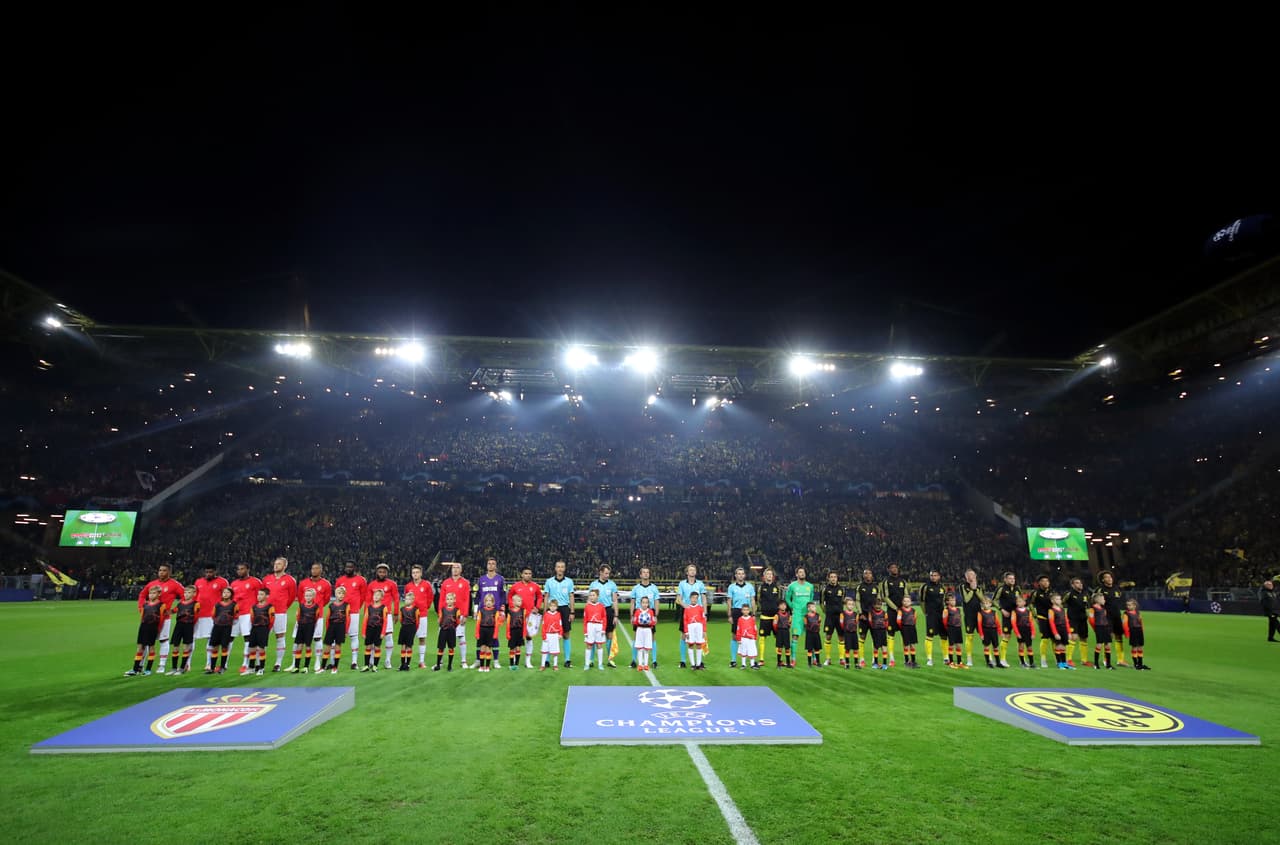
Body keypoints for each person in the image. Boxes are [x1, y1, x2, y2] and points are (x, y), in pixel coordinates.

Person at [137, 564, 185, 677]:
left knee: (163, 640)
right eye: (160, 570)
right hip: (148, 619)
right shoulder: (152, 584)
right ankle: (140, 666)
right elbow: (142, 595)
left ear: (169, 572)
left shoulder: (174, 584)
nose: (161, 572)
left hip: (164, 618)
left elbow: (186, 597)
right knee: (145, 642)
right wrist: (141, 608)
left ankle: (161, 665)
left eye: (164, 570)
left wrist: (174, 610)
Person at [262, 556, 297, 672]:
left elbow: (292, 597)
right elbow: (262, 594)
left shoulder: (290, 580)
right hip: (265, 612)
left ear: (284, 566)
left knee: (280, 637)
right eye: (275, 563)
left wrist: (283, 606)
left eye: (279, 564)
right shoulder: (266, 579)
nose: (276, 565)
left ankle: (278, 663)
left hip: (280, 613)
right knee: (263, 637)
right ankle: (260, 663)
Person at [295, 563, 332, 672]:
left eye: (316, 568)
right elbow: (300, 597)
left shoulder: (326, 584)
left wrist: (317, 607)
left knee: (317, 638)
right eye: (312, 568)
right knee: (299, 641)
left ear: (321, 570)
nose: (314, 570)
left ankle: (317, 662)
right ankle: (295, 664)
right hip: (303, 616)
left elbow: (326, 599)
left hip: (318, 616)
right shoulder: (303, 583)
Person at [229, 563, 264, 675]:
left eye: (242, 569)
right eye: (238, 569)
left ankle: (246, 664)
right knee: (229, 638)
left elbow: (262, 596)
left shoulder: (256, 582)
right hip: (235, 615)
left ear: (248, 569)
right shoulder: (233, 584)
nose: (240, 571)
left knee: (248, 639)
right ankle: (224, 665)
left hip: (248, 614)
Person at [125, 585, 168, 676]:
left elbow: (161, 618)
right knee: (140, 647)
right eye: (150, 593)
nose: (151, 595)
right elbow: (142, 616)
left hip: (153, 627)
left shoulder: (161, 605)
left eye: (154, 593)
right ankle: (135, 669)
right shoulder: (145, 604)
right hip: (143, 627)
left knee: (151, 647)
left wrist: (158, 629)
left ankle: (148, 669)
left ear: (159, 594)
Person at [193, 565, 228, 672]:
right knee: (191, 638)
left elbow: (227, 597)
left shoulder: (222, 582)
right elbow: (194, 596)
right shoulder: (198, 582)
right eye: (207, 572)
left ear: (215, 572)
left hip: (214, 615)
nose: (208, 574)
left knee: (211, 639)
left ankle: (209, 664)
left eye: (211, 572)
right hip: (199, 614)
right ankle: (187, 664)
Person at [508, 566, 544, 668]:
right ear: (522, 574)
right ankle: (514, 659)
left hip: (530, 616)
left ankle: (528, 661)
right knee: (516, 637)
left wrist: (537, 607)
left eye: (529, 574)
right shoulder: (515, 586)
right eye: (526, 573)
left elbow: (540, 596)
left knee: (529, 637)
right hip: (518, 616)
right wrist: (512, 606)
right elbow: (510, 596)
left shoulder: (535, 586)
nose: (528, 575)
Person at [335, 562, 368, 671]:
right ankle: (333, 662)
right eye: (346, 566)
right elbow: (337, 593)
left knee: (353, 636)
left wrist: (357, 607)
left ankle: (354, 662)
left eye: (350, 567)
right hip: (340, 611)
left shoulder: (361, 580)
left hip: (353, 612)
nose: (348, 568)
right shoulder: (340, 580)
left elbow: (363, 596)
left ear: (355, 568)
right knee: (337, 637)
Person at [367, 564, 400, 669]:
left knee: (388, 636)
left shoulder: (392, 584)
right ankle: (371, 660)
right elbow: (368, 601)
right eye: (380, 572)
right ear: (377, 572)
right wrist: (367, 615)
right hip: (373, 615)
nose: (382, 574)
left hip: (387, 615)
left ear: (387, 573)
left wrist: (396, 613)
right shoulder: (371, 584)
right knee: (372, 638)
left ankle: (387, 660)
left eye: (384, 572)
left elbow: (396, 599)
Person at [677, 564, 710, 669]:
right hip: (687, 612)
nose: (692, 572)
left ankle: (700, 662)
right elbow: (679, 599)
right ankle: (683, 660)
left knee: (700, 637)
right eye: (690, 570)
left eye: (694, 570)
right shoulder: (682, 584)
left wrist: (704, 612)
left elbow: (704, 598)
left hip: (699, 612)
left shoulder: (700, 584)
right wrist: (687, 607)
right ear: (687, 572)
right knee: (684, 636)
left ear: (695, 572)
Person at [587, 565, 620, 667]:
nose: (607, 575)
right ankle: (591, 660)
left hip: (608, 610)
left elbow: (614, 600)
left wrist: (616, 615)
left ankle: (610, 659)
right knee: (593, 635)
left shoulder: (612, 585)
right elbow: (589, 600)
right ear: (600, 572)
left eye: (608, 573)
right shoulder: (593, 584)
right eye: (606, 573)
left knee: (609, 635)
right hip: (596, 611)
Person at [543, 561, 573, 668]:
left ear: (564, 569)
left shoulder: (569, 582)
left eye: (562, 567)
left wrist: (572, 611)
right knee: (549, 634)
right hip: (552, 609)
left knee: (566, 634)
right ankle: (547, 660)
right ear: (555, 568)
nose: (560, 569)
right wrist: (545, 611)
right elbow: (546, 596)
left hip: (564, 609)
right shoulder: (549, 581)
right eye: (558, 567)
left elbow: (571, 596)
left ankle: (567, 660)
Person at [403, 565, 435, 669]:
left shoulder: (426, 585)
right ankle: (406, 661)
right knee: (409, 639)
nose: (415, 574)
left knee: (422, 638)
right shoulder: (408, 586)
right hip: (410, 616)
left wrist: (425, 607)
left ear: (421, 573)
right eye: (413, 573)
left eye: (417, 572)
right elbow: (406, 599)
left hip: (422, 615)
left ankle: (421, 661)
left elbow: (430, 598)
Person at [629, 566, 660, 669]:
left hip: (650, 615)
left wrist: (655, 616)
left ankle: (654, 660)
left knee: (652, 637)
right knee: (636, 637)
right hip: (638, 616)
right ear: (640, 575)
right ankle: (634, 660)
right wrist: (632, 616)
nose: (646, 574)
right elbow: (632, 602)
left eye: (647, 572)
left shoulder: (654, 588)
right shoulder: (636, 588)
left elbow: (656, 602)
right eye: (644, 572)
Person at [784, 567, 816, 666]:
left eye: (803, 572)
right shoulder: (792, 586)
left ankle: (814, 659)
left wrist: (810, 609)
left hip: (808, 615)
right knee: (795, 636)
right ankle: (793, 659)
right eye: (800, 572)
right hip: (797, 615)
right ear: (796, 574)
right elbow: (787, 598)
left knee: (811, 636)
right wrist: (792, 607)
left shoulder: (810, 586)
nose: (802, 574)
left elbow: (811, 598)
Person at [727, 566, 758, 669]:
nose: (740, 575)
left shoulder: (750, 587)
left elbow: (753, 600)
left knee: (749, 636)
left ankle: (751, 660)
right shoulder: (731, 587)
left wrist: (753, 614)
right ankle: (733, 660)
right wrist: (729, 615)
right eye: (738, 574)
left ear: (744, 575)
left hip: (747, 612)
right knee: (735, 636)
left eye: (742, 573)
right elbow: (729, 601)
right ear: (735, 575)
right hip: (736, 611)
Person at [880, 563, 908, 667]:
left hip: (903, 611)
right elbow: (885, 597)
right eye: (892, 567)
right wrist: (896, 608)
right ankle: (891, 658)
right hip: (892, 612)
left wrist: (905, 606)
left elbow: (906, 595)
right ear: (888, 569)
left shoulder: (902, 581)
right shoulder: (886, 582)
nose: (894, 569)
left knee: (905, 634)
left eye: (896, 567)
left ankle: (907, 659)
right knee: (891, 634)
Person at [1097, 571, 1127, 666]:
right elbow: (1095, 603)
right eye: (1107, 577)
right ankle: (1106, 659)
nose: (1109, 579)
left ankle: (1120, 660)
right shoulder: (1100, 590)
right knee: (1108, 638)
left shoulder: (1117, 589)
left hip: (1117, 616)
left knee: (1119, 636)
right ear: (1103, 579)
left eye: (1110, 577)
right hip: (1106, 617)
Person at [167, 586, 198, 675]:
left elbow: (196, 616)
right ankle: (174, 668)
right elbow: (173, 611)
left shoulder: (196, 604)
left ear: (194, 594)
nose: (186, 594)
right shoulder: (180, 603)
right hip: (178, 626)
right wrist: (166, 610)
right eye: (185, 592)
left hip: (188, 626)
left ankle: (182, 668)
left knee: (186, 647)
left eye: (189, 592)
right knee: (175, 646)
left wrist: (190, 623)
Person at [919, 569, 947, 667]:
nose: (933, 577)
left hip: (941, 615)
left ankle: (946, 657)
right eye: (931, 575)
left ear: (939, 576)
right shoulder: (925, 586)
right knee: (929, 635)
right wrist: (925, 612)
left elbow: (944, 601)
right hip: (931, 614)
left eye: (935, 575)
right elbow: (921, 600)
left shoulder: (942, 587)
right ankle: (929, 659)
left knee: (944, 636)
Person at [756, 567, 783, 667]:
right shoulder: (761, 588)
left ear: (773, 576)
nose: (769, 576)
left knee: (778, 638)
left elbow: (779, 601)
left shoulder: (777, 588)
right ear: (764, 576)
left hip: (775, 617)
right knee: (762, 638)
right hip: (765, 617)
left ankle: (779, 660)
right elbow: (758, 600)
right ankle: (761, 659)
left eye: (771, 574)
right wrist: (763, 608)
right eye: (767, 574)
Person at [290, 587, 321, 673]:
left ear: (313, 596)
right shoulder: (301, 606)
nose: (308, 597)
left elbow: (316, 617)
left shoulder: (316, 607)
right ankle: (296, 667)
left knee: (308, 646)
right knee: (299, 646)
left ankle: (306, 667)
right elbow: (298, 616)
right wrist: (299, 623)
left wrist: (311, 625)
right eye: (306, 595)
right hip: (301, 627)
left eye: (310, 596)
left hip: (309, 627)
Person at [992, 571, 1019, 668]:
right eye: (1010, 578)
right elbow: (994, 600)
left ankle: (1023, 661)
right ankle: (1002, 659)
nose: (1012, 580)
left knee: (1021, 637)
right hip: (1007, 616)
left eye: (1013, 578)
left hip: (1017, 616)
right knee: (1006, 636)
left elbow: (1019, 600)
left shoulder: (1017, 589)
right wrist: (1001, 610)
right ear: (1005, 579)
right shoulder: (1001, 588)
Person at [819, 570, 845, 667]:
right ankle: (828, 658)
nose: (833, 578)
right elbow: (821, 602)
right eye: (831, 577)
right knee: (828, 636)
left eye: (835, 577)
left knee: (841, 637)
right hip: (829, 617)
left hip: (839, 617)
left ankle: (842, 658)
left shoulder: (841, 589)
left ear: (837, 578)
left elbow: (842, 601)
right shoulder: (825, 589)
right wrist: (825, 611)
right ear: (828, 578)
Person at [322, 586, 350, 674]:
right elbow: (327, 618)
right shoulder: (331, 605)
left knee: (338, 647)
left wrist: (346, 631)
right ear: (335, 594)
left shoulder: (346, 605)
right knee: (327, 647)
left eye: (342, 594)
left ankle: (335, 667)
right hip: (331, 627)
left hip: (341, 627)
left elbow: (348, 619)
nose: (341, 595)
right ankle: (322, 667)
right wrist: (327, 629)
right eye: (339, 593)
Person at [208, 586, 236, 674]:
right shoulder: (218, 605)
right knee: (215, 647)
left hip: (227, 628)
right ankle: (212, 668)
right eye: (224, 592)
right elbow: (213, 615)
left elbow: (236, 615)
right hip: (217, 627)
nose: (225, 594)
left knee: (224, 647)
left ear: (231, 594)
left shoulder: (234, 605)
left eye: (227, 592)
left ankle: (222, 667)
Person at [1065, 577, 1091, 667]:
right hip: (1073, 619)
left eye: (1080, 583)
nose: (1080, 584)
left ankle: (1084, 660)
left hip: (1083, 620)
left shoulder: (1085, 594)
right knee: (1073, 637)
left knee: (1084, 638)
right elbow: (1061, 603)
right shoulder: (1069, 594)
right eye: (1077, 583)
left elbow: (1088, 606)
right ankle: (1068, 659)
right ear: (1072, 585)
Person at [248, 587, 275, 676]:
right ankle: (251, 668)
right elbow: (252, 618)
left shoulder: (270, 607)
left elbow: (272, 620)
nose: (259, 596)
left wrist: (266, 629)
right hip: (254, 628)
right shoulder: (254, 607)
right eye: (258, 594)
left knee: (261, 649)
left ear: (267, 596)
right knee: (252, 648)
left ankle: (261, 668)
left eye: (261, 594)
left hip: (263, 629)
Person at [959, 569, 983, 668]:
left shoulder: (980, 587)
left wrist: (976, 589)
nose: (971, 576)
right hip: (969, 615)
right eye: (969, 575)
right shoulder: (963, 586)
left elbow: (982, 599)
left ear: (976, 576)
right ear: (966, 577)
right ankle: (969, 659)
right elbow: (966, 599)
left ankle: (989, 657)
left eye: (973, 575)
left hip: (980, 615)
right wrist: (973, 589)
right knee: (969, 636)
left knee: (984, 636)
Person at [434, 591, 463, 672]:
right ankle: (438, 665)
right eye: (447, 599)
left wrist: (452, 627)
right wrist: (442, 626)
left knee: (451, 648)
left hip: (451, 631)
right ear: (445, 600)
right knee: (440, 648)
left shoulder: (457, 610)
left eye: (451, 599)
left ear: (454, 600)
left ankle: (449, 665)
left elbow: (457, 622)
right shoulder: (442, 609)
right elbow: (439, 620)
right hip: (443, 630)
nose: (449, 601)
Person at [854, 568, 877, 663]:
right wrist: (860, 613)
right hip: (863, 616)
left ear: (872, 575)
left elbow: (879, 601)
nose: (868, 575)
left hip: (874, 617)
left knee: (875, 638)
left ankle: (874, 659)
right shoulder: (860, 587)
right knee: (862, 637)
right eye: (866, 573)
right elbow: (857, 601)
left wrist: (878, 614)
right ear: (863, 576)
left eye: (869, 573)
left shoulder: (876, 587)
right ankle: (861, 659)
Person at [1030, 574, 1053, 669]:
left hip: (1052, 618)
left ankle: (1059, 659)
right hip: (1042, 617)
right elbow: (1030, 604)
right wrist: (1035, 616)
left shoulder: (1052, 592)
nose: (1045, 583)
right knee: (1045, 638)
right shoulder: (1036, 593)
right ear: (1039, 583)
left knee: (1054, 639)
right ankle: (1043, 659)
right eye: (1043, 581)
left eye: (1047, 581)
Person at [474, 593, 501, 673]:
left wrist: (495, 633)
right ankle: (482, 666)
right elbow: (478, 622)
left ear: (493, 602)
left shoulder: (495, 611)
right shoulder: (481, 611)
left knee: (488, 649)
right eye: (487, 601)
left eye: (490, 601)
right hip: (482, 631)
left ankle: (487, 666)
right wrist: (477, 633)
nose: (488, 602)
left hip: (491, 631)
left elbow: (496, 623)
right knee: (482, 648)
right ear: (484, 602)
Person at [362, 589, 388, 672]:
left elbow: (385, 621)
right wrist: (363, 632)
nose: (376, 597)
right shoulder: (369, 607)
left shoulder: (384, 608)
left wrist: (383, 632)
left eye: (378, 595)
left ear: (382, 597)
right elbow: (365, 620)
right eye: (374, 595)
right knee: (368, 647)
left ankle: (375, 666)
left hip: (378, 630)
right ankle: (366, 665)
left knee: (377, 647)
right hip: (369, 629)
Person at [582, 588, 608, 671]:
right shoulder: (587, 606)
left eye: (593, 595)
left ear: (597, 596)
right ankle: (587, 664)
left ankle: (600, 664)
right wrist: (585, 631)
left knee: (599, 645)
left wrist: (603, 629)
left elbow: (604, 618)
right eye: (590, 595)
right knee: (589, 645)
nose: (591, 597)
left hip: (599, 626)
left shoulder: (601, 606)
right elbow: (585, 619)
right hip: (590, 626)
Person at [1089, 592, 1115, 670]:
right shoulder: (1092, 608)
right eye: (1103, 598)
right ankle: (1096, 664)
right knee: (1099, 644)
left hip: (1106, 627)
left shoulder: (1103, 609)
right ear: (1097, 600)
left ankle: (1108, 664)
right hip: (1099, 627)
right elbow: (1091, 620)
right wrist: (1095, 628)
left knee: (1108, 645)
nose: (1104, 600)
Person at [1123, 599, 1151, 670]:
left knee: (1140, 647)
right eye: (1127, 605)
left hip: (1139, 631)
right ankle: (1136, 664)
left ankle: (1140, 664)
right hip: (1133, 631)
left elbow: (1141, 621)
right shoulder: (1126, 614)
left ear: (1134, 606)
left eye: (1130, 605)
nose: (1128, 606)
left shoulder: (1138, 613)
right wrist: (1127, 633)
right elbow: (1125, 624)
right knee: (1134, 647)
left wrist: (1142, 629)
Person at [1048, 593, 1074, 670]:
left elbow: (1066, 621)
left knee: (1063, 647)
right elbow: (1051, 622)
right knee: (1058, 646)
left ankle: (1064, 663)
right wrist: (1055, 633)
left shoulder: (1062, 609)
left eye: (1059, 599)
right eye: (1057, 599)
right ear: (1052, 601)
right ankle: (1059, 663)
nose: (1059, 600)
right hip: (1057, 629)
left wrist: (1069, 632)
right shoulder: (1051, 610)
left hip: (1064, 629)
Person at [683, 592, 708, 670]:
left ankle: (698, 664)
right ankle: (692, 664)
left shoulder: (700, 608)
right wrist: (686, 632)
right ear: (690, 598)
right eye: (693, 598)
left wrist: (704, 630)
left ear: (698, 599)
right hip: (690, 628)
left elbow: (703, 620)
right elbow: (685, 620)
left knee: (699, 645)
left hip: (699, 627)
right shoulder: (687, 609)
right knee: (690, 644)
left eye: (696, 598)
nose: (694, 599)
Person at [396, 594, 420, 672]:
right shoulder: (402, 609)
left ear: (412, 600)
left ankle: (407, 664)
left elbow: (417, 621)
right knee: (403, 646)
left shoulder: (416, 609)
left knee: (409, 646)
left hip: (411, 628)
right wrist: (404, 625)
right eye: (406, 599)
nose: (407, 601)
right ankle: (402, 664)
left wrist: (414, 629)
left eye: (409, 599)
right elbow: (400, 619)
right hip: (404, 628)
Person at [976, 597, 1002, 669]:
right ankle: (988, 662)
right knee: (986, 646)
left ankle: (998, 662)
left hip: (993, 631)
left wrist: (1000, 632)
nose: (985, 605)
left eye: (987, 603)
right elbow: (979, 624)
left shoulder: (994, 612)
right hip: (985, 631)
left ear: (990, 604)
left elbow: (997, 622)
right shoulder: (980, 613)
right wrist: (981, 634)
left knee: (996, 647)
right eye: (984, 603)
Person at [942, 594, 966, 669]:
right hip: (951, 628)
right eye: (951, 600)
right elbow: (944, 621)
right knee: (951, 645)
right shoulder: (946, 610)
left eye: (954, 600)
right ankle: (951, 662)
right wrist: (948, 629)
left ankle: (959, 662)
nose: (953, 601)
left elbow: (960, 618)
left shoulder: (958, 609)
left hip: (958, 628)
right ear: (947, 601)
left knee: (958, 645)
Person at [632, 595, 656, 671]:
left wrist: (649, 622)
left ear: (648, 604)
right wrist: (639, 621)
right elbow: (634, 622)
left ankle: (645, 665)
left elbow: (653, 622)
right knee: (640, 648)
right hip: (639, 630)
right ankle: (640, 664)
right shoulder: (637, 611)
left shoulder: (651, 611)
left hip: (648, 630)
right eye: (643, 602)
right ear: (640, 603)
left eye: (646, 603)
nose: (644, 604)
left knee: (646, 648)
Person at [1012, 594, 1035, 668]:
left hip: (1028, 631)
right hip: (1020, 630)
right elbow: (1013, 623)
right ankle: (1022, 663)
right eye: (1018, 601)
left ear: (1024, 603)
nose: (1019, 603)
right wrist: (1017, 633)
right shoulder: (1014, 611)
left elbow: (1031, 622)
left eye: (1021, 601)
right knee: (1021, 647)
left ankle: (1032, 663)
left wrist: (1033, 633)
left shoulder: (1028, 611)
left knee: (1029, 647)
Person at [540, 597, 564, 670]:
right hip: (547, 635)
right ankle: (542, 665)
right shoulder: (546, 615)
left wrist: (560, 633)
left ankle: (555, 665)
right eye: (551, 606)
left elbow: (560, 625)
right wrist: (544, 636)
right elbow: (543, 626)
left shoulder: (558, 614)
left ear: (557, 607)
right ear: (549, 606)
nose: (553, 607)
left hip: (555, 635)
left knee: (555, 651)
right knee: (544, 651)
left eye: (554, 606)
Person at [867, 598, 890, 670]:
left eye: (880, 605)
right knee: (876, 647)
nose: (878, 606)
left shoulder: (884, 613)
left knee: (884, 646)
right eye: (876, 605)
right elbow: (870, 621)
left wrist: (884, 627)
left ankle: (885, 664)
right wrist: (874, 627)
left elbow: (886, 622)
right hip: (875, 631)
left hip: (883, 631)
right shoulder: (871, 613)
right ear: (873, 605)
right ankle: (875, 663)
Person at [897, 595, 919, 669]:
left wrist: (912, 625)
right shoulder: (900, 610)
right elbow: (898, 621)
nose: (906, 602)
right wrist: (903, 628)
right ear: (902, 602)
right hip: (905, 628)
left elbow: (915, 619)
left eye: (908, 601)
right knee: (906, 645)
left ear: (911, 602)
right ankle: (906, 661)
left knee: (912, 645)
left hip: (912, 628)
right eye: (905, 601)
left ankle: (913, 661)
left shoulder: (914, 611)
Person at [504, 594, 526, 670]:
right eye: (519, 601)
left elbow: (524, 623)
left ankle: (516, 664)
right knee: (512, 648)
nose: (520, 602)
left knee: (518, 648)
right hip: (512, 631)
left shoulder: (523, 611)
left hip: (519, 632)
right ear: (513, 602)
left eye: (521, 601)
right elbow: (508, 623)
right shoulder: (510, 612)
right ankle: (511, 664)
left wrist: (524, 633)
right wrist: (507, 633)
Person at [838, 597, 861, 669]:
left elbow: (856, 622)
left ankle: (856, 664)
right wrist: (846, 629)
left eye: (852, 604)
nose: (850, 606)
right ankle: (847, 663)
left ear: (854, 606)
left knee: (855, 648)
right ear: (845, 605)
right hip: (847, 633)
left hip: (854, 633)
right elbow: (841, 623)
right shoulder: (843, 614)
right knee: (847, 648)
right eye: (849, 604)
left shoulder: (855, 614)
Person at [736, 605, 760, 669]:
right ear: (742, 611)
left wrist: (755, 637)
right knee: (743, 651)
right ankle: (743, 664)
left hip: (751, 639)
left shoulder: (752, 619)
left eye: (747, 610)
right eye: (744, 610)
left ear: (749, 611)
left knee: (751, 651)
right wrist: (738, 638)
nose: (745, 611)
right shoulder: (740, 619)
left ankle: (752, 664)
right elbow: (738, 629)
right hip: (743, 638)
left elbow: (755, 628)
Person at [803, 601, 822, 667]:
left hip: (816, 634)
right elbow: (805, 625)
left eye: (815, 607)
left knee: (817, 648)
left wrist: (816, 629)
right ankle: (809, 663)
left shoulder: (818, 615)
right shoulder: (806, 616)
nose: (815, 608)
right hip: (809, 635)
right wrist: (810, 629)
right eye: (813, 607)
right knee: (810, 649)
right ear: (809, 608)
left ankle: (818, 662)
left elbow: (819, 623)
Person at [774, 602, 793, 669]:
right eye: (781, 605)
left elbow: (790, 623)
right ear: (778, 606)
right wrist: (776, 632)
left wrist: (788, 627)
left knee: (787, 648)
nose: (783, 606)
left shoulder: (788, 614)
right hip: (779, 631)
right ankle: (779, 663)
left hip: (786, 632)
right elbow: (774, 624)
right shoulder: (777, 615)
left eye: (784, 605)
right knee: (780, 648)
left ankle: (788, 663)